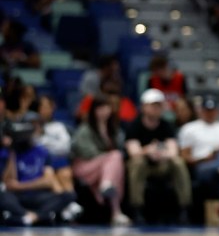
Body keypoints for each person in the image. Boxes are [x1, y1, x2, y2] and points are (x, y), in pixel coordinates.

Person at [124, 89, 192, 222]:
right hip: (143, 166)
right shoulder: (134, 126)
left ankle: (185, 207)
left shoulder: (167, 126)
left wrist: (160, 153)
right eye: (153, 105)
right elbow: (134, 152)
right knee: (138, 162)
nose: (156, 109)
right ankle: (137, 208)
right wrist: (149, 150)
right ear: (144, 106)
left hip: (162, 164)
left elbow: (173, 151)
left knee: (178, 162)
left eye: (159, 105)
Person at [178, 96, 219, 224]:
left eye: (213, 110)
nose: (210, 113)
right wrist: (206, 157)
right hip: (203, 167)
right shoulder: (189, 129)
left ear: (218, 110)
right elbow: (184, 157)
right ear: (200, 110)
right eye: (207, 110)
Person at [2, 120, 77, 226]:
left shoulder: (42, 151)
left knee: (68, 195)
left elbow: (47, 181)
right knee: (4, 196)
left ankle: (31, 217)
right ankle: (31, 215)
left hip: (38, 194)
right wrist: (12, 153)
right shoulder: (7, 153)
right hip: (18, 197)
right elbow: (8, 182)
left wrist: (19, 186)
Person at [70, 96, 131, 226]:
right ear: (94, 110)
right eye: (100, 108)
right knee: (114, 158)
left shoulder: (115, 130)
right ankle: (115, 211)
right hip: (85, 167)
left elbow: (122, 149)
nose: (104, 111)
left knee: (115, 162)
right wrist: (106, 156)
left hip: (105, 170)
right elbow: (85, 152)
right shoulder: (85, 129)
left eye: (106, 107)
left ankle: (113, 205)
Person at [34, 96, 75, 193]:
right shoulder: (32, 126)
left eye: (47, 107)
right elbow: (37, 146)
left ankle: (70, 202)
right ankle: (64, 202)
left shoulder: (58, 126)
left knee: (65, 173)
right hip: (40, 163)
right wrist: (53, 144)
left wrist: (45, 143)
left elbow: (66, 147)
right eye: (42, 107)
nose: (45, 110)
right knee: (49, 172)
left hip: (58, 160)